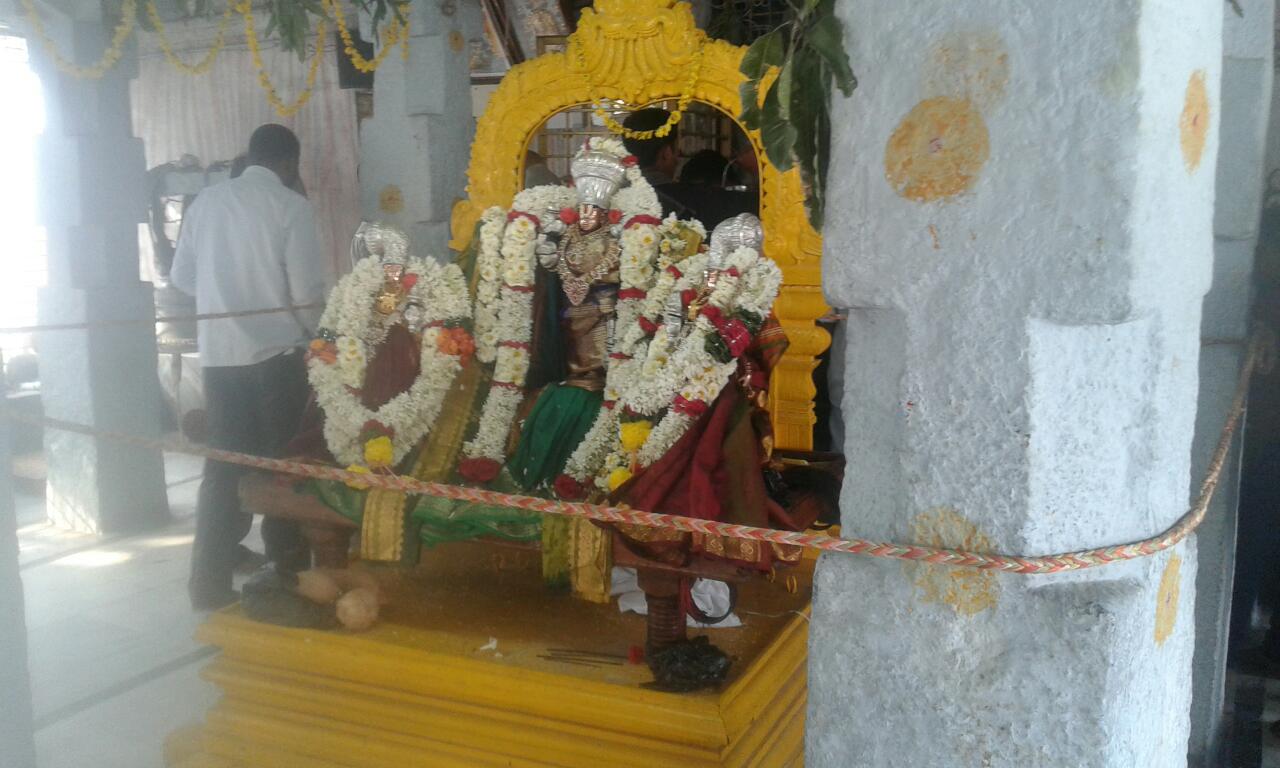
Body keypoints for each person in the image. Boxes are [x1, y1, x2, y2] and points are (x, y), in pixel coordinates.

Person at [172, 124, 332, 610]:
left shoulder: (206, 203)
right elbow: (306, 295)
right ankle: (285, 577)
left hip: (220, 363)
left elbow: (181, 279)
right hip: (276, 363)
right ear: (289, 163)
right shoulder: (290, 207)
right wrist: (320, 338)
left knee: (222, 472)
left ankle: (208, 582)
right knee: (284, 469)